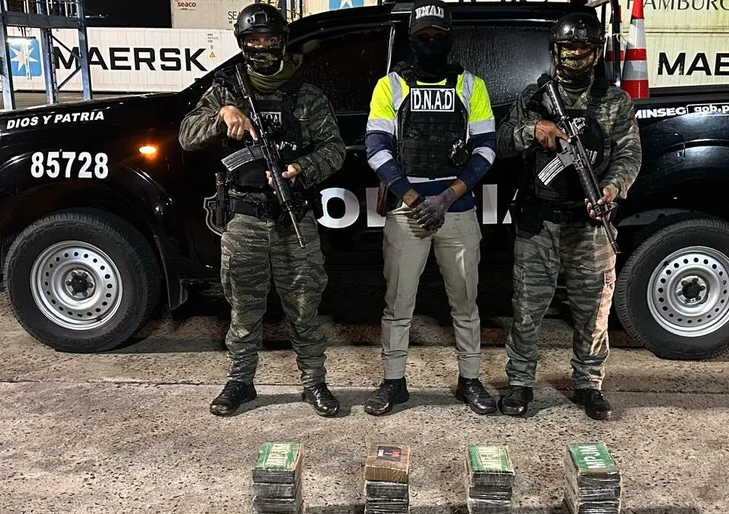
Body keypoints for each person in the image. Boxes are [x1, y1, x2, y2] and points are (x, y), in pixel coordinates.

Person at [179, 4, 346, 418]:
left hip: (293, 216)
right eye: (253, 40)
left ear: (282, 41)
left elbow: (335, 150)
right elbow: (186, 135)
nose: (262, 46)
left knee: (304, 308)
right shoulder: (226, 89)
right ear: (243, 44)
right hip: (245, 220)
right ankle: (240, 381)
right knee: (243, 308)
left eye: (270, 39)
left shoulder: (307, 96)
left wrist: (302, 168)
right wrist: (222, 115)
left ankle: (314, 382)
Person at [495, 11, 643, 421]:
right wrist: (533, 130)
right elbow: (501, 142)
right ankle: (520, 383)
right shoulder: (533, 97)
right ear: (555, 51)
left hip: (590, 224)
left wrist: (610, 189)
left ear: (597, 51)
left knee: (594, 311)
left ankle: (588, 384)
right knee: (527, 309)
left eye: (584, 47)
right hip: (539, 223)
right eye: (568, 47)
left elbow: (629, 155)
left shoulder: (614, 102)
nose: (576, 54)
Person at [362, 0, 498, 417]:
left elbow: (486, 148)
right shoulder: (390, 86)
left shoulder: (471, 86)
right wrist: (414, 199)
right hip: (409, 213)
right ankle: (394, 382)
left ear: (450, 39)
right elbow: (376, 148)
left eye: (439, 36)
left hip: (456, 210)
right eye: (424, 36)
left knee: (466, 303)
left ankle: (469, 380)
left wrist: (447, 197)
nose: (432, 43)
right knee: (398, 304)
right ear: (412, 40)